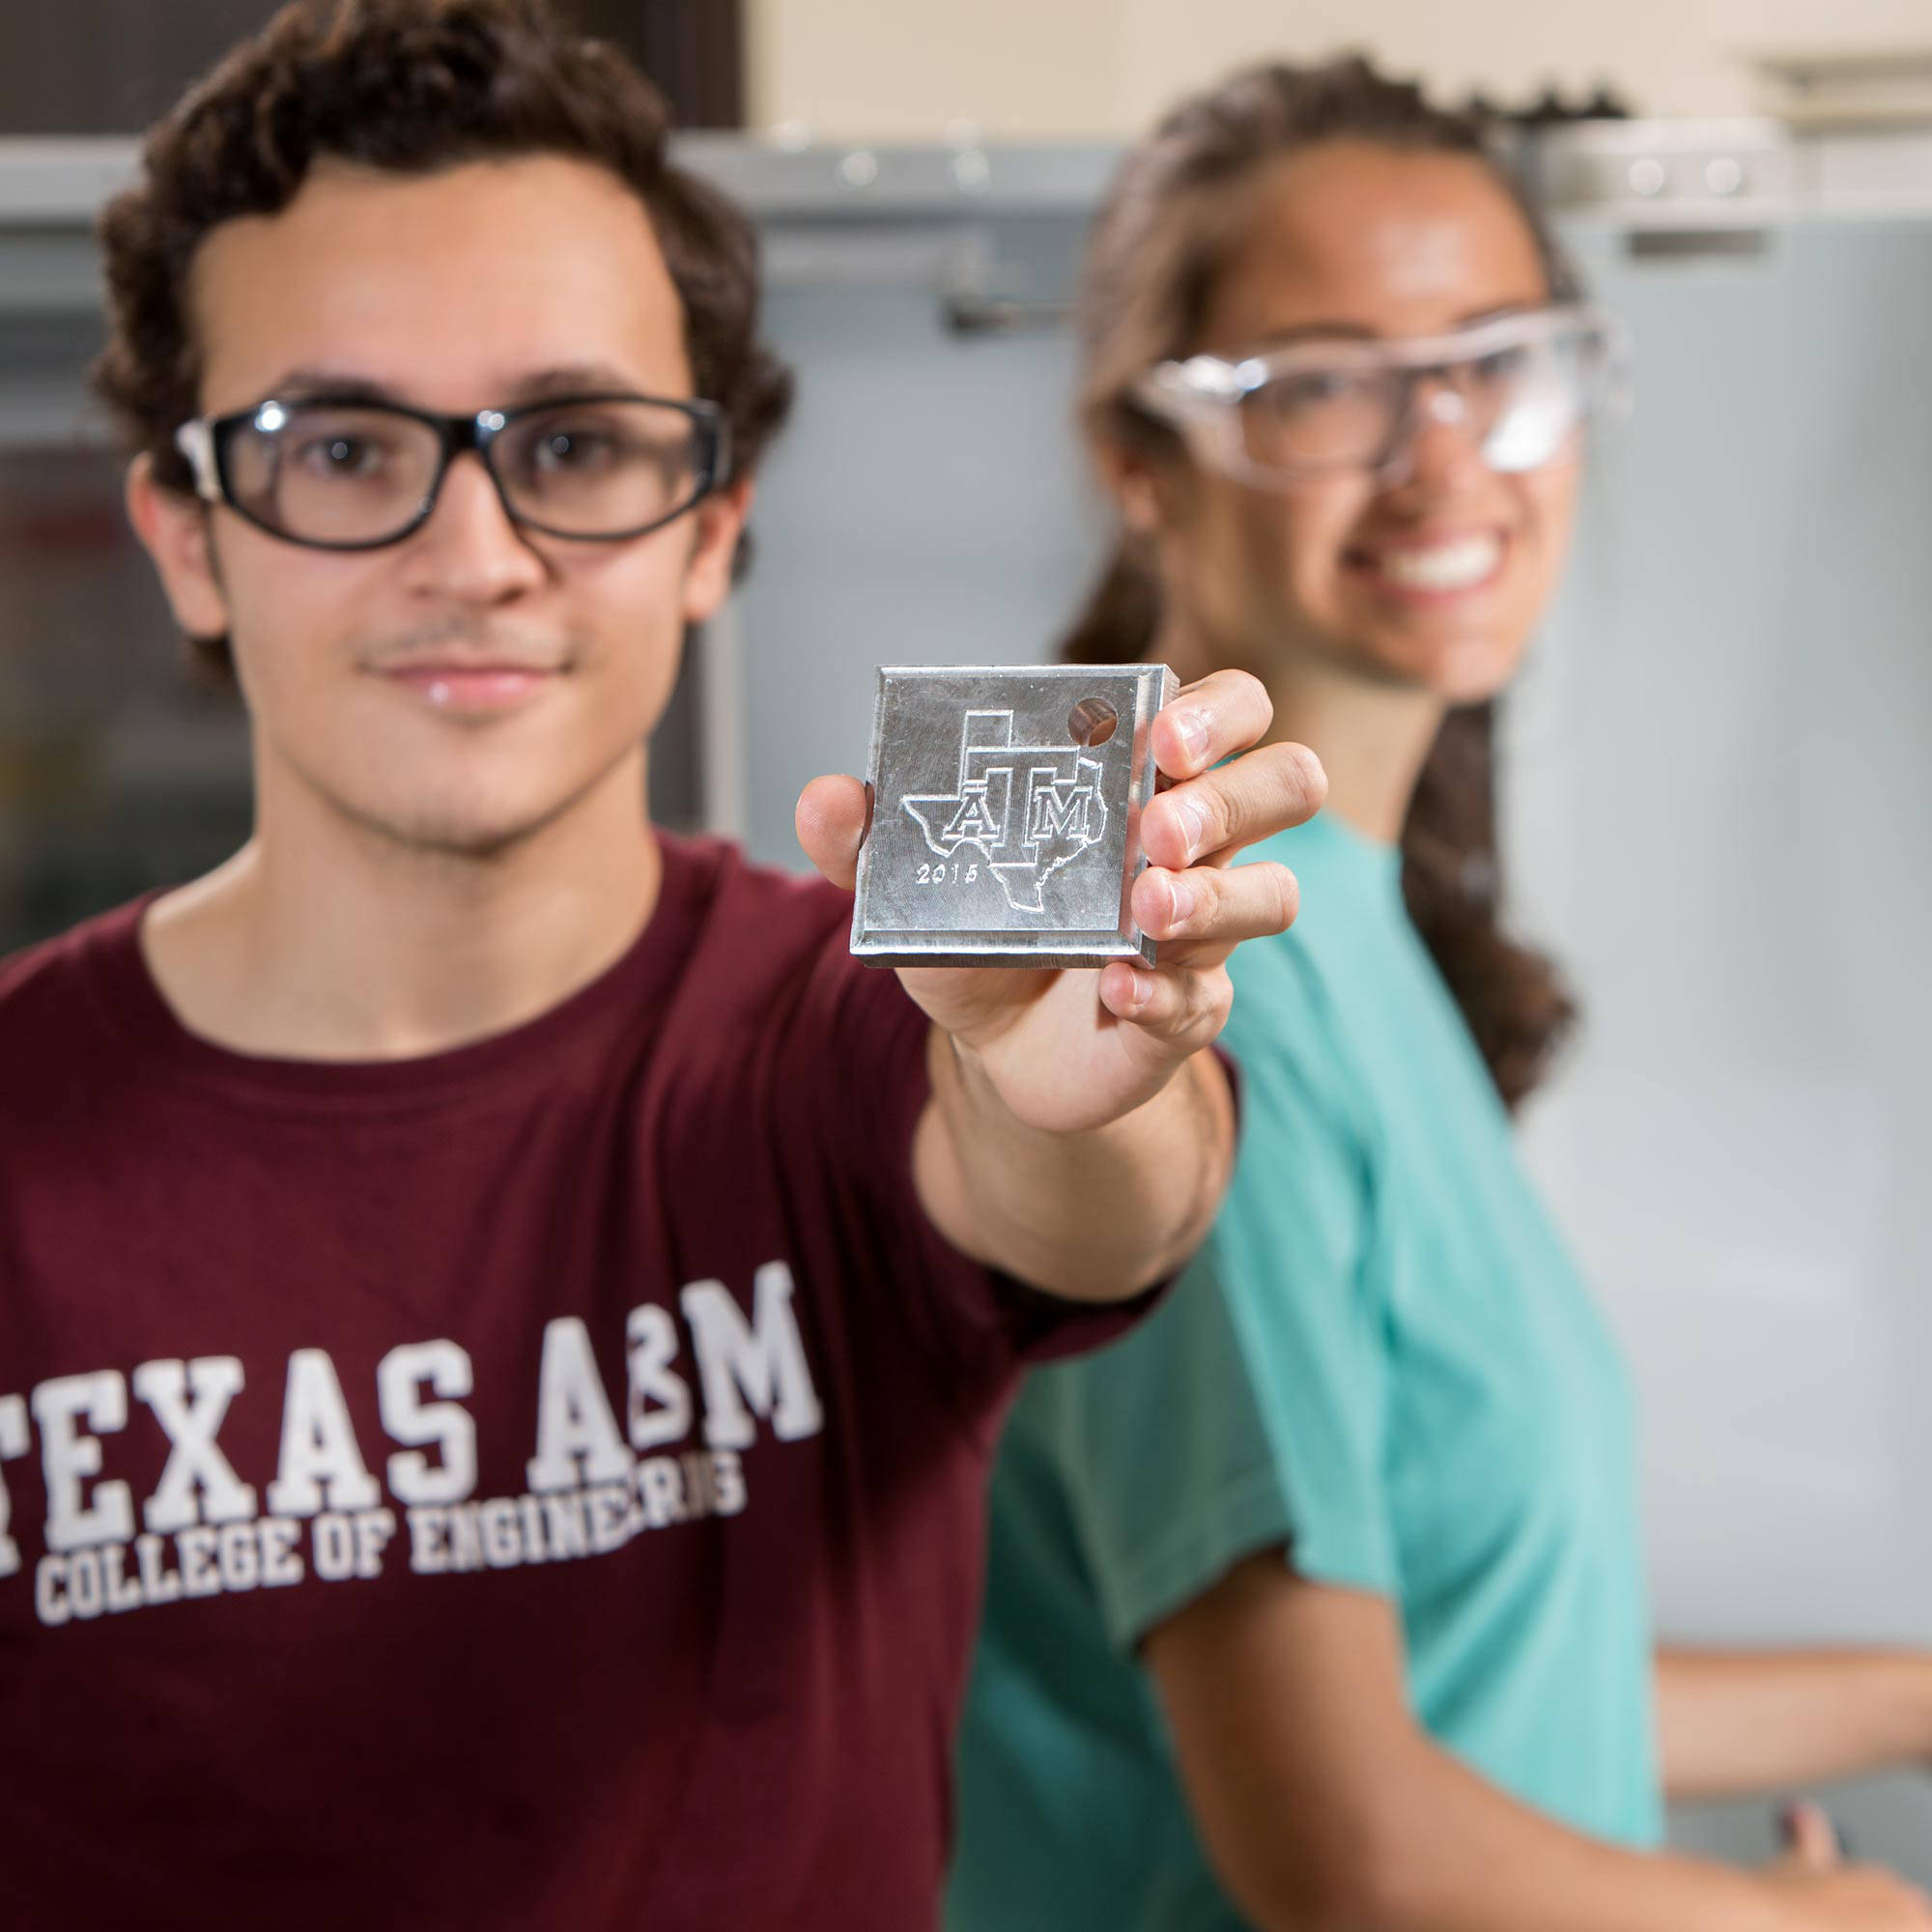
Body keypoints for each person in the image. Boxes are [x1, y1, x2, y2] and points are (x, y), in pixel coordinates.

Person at [0, 6, 1326, 1927]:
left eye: (571, 443)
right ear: (189, 541)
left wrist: (1083, 1067)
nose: (475, 549)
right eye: (344, 444)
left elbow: (1077, 1193)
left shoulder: (835, 1031)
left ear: (712, 525)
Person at [950, 56, 1932, 1932]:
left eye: (1499, 359)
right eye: (1322, 384)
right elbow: (1351, 1853)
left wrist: (1904, 1696)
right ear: (1136, 459)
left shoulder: (1342, 923)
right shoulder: (1178, 983)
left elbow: (1481, 1674)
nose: (1444, 451)